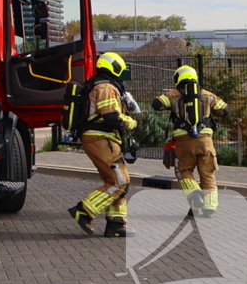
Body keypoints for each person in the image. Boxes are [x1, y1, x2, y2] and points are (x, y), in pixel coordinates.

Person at [68, 51, 138, 237]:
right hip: (101, 137)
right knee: (119, 182)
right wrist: (131, 123)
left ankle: (116, 224)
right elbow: (112, 117)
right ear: (114, 68)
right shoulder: (106, 87)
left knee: (115, 180)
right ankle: (84, 210)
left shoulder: (100, 84)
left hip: (101, 137)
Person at [152, 65, 229, 217]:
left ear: (178, 78)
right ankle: (210, 207)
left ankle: (194, 194)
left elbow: (156, 104)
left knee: (183, 171)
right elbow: (225, 110)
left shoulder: (172, 94)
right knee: (207, 174)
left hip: (184, 140)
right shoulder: (208, 95)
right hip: (205, 140)